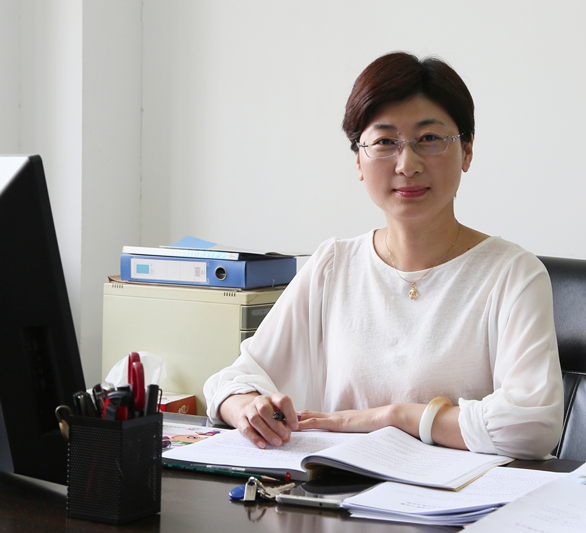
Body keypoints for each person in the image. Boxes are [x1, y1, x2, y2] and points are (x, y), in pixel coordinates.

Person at [204, 52, 563, 460]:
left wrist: (396, 417)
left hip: (459, 497)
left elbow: (533, 424)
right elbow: (230, 382)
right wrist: (248, 409)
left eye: (430, 139)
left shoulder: (512, 274)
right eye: (385, 142)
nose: (407, 164)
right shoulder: (333, 265)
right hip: (345, 492)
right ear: (359, 160)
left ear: (466, 151)